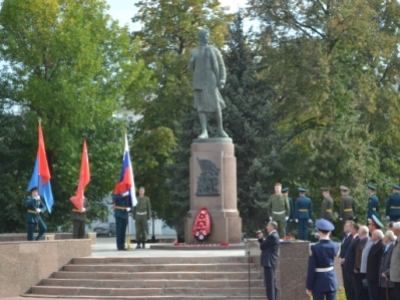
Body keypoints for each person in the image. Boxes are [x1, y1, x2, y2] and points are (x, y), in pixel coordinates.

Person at [189, 28, 228, 139]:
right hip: (199, 81)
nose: (208, 37)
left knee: (216, 106)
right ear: (201, 37)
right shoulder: (194, 51)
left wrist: (222, 79)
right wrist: (191, 62)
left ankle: (220, 129)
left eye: (208, 35)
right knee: (200, 107)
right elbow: (191, 69)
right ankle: (204, 131)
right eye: (206, 36)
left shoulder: (214, 50)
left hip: (211, 81)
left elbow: (221, 65)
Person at [305, 219, 339, 300]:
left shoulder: (314, 247)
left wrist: (309, 286)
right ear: (330, 232)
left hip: (318, 281)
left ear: (319, 232)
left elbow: (311, 269)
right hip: (331, 279)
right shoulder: (335, 245)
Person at [360, 214, 383, 299]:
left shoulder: (377, 240)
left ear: (374, 226)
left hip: (374, 275)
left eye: (370, 224)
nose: (368, 226)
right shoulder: (371, 239)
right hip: (369, 273)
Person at [257, 221, 280, 300]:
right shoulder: (272, 235)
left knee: (270, 284)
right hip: (270, 262)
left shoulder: (272, 236)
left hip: (269, 262)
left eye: (268, 225)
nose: (266, 227)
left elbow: (262, 246)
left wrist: (261, 238)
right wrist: (261, 238)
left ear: (272, 227)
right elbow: (264, 245)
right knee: (272, 283)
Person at [344, 223, 361, 299]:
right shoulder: (352, 238)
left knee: (355, 289)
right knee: (350, 288)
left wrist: (356, 267)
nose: (350, 230)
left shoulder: (358, 239)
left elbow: (357, 255)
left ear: (355, 229)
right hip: (348, 268)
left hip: (353, 269)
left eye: (351, 228)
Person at [366, 229, 384, 300]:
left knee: (376, 295)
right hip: (370, 275)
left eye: (372, 235)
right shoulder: (374, 245)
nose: (371, 236)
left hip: (375, 276)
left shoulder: (381, 245)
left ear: (377, 236)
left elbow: (380, 262)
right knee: (371, 295)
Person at [354, 225, 370, 300]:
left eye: (359, 231)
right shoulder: (361, 241)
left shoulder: (367, 241)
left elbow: (363, 257)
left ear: (363, 232)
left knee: (364, 291)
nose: (358, 232)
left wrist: (358, 267)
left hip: (363, 270)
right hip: (359, 269)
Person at [379, 230, 396, 300]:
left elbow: (394, 263)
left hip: (389, 278)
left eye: (385, 236)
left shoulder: (393, 247)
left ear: (388, 237)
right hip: (384, 278)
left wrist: (386, 272)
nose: (383, 237)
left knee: (390, 296)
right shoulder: (385, 247)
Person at [340, 221, 355, 300]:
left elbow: (350, 251)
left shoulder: (352, 237)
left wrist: (345, 259)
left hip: (348, 264)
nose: (344, 227)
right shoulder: (345, 237)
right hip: (343, 264)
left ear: (352, 227)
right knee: (346, 285)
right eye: (345, 226)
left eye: (347, 226)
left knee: (350, 285)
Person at [390, 222, 400, 300]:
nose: (392, 230)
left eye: (393, 228)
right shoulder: (397, 240)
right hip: (396, 275)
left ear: (397, 230)